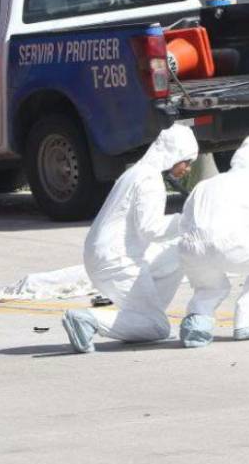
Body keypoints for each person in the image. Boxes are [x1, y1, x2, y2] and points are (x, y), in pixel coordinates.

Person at [62, 124, 199, 353]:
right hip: (117, 260)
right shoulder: (149, 179)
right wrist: (188, 220)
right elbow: (151, 229)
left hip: (109, 256)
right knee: (158, 329)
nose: (187, 169)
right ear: (175, 154)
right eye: (187, 161)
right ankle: (88, 319)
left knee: (179, 252)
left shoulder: (136, 172)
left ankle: (142, 321)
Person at [177, 135, 249, 347]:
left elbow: (184, 222)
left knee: (211, 286)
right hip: (231, 245)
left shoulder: (206, 184)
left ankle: (197, 323)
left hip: (190, 248)